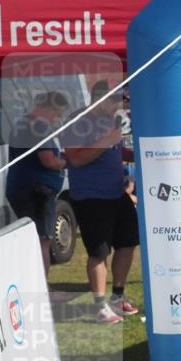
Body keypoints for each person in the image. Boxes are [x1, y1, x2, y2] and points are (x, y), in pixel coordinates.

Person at [62, 81, 140, 324]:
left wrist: (136, 153)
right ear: (100, 99)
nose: (119, 105)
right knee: (99, 252)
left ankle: (117, 296)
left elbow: (114, 151)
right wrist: (106, 140)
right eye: (115, 100)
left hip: (117, 193)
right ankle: (100, 306)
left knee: (128, 243)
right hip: (91, 197)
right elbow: (75, 158)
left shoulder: (110, 122)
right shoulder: (78, 120)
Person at [6, 91, 70, 277]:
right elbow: (48, 160)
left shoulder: (21, 124)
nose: (58, 118)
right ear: (48, 108)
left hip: (22, 187)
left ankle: (37, 286)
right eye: (58, 112)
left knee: (34, 240)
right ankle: (43, 290)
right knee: (42, 240)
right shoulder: (39, 127)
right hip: (37, 191)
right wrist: (65, 162)